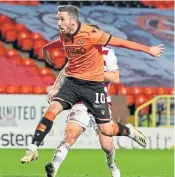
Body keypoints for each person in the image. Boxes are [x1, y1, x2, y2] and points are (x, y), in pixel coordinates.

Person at [20, 5, 164, 166]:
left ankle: (128, 130)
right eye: (57, 19)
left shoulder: (92, 34)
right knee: (53, 108)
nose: (58, 23)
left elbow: (122, 43)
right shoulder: (64, 33)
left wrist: (148, 49)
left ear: (73, 21)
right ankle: (32, 148)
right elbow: (61, 46)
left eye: (62, 19)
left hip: (92, 88)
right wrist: (46, 49)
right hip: (72, 83)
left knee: (106, 130)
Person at [45, 38, 121, 177]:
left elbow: (115, 77)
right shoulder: (78, 53)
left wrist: (93, 74)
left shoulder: (108, 53)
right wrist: (55, 88)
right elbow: (65, 70)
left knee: (106, 145)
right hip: (80, 100)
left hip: (100, 100)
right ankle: (52, 171)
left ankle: (111, 163)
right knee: (70, 135)